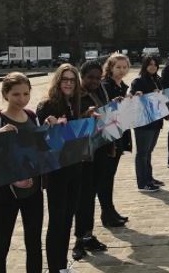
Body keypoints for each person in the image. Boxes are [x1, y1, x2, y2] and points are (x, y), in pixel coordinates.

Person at [0, 72, 43, 273]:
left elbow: (40, 150)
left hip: (33, 191)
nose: (22, 99)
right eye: (16, 94)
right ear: (5, 94)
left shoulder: (32, 116)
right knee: (2, 244)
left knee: (34, 242)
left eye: (26, 94)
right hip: (4, 194)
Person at [36, 63, 83, 273]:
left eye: (72, 80)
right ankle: (54, 267)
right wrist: (48, 125)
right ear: (58, 81)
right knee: (57, 218)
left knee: (68, 217)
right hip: (56, 170)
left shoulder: (74, 103)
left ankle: (62, 265)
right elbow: (41, 137)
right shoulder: (48, 105)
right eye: (65, 79)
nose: (69, 84)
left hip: (74, 166)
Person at [72, 61, 109, 261]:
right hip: (83, 155)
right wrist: (84, 116)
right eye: (90, 77)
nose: (94, 81)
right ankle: (79, 239)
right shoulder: (76, 96)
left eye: (97, 77)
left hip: (100, 150)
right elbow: (72, 122)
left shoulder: (100, 91)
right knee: (82, 197)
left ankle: (88, 234)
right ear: (82, 76)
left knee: (91, 195)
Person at [99, 54, 130, 227]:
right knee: (105, 176)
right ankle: (107, 212)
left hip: (119, 133)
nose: (121, 70)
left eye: (124, 67)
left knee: (110, 176)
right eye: (118, 67)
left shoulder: (123, 86)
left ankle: (110, 210)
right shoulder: (105, 86)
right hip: (108, 135)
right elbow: (103, 109)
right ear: (110, 67)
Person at [130, 56, 165, 191]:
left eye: (155, 65)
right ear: (145, 66)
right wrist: (140, 94)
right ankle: (142, 182)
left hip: (156, 121)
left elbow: (162, 99)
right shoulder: (138, 81)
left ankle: (149, 178)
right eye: (150, 64)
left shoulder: (158, 80)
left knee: (149, 151)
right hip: (143, 122)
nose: (153, 67)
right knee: (142, 153)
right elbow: (133, 97)